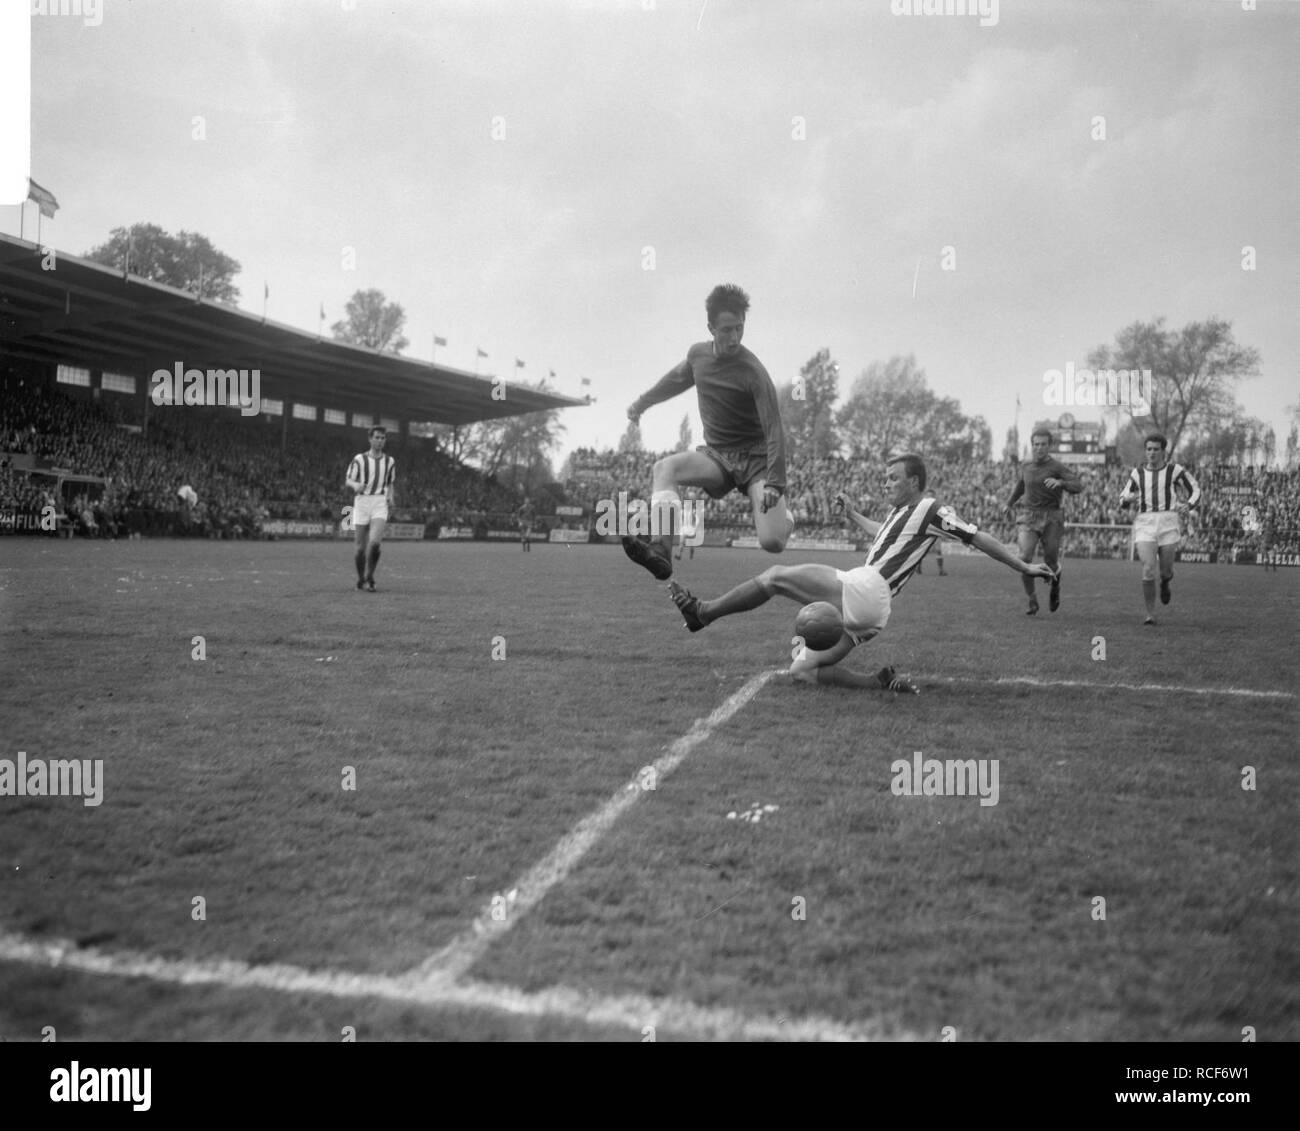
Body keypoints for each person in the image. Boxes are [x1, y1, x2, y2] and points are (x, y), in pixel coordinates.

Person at [668, 454, 1056, 693]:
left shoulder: (931, 509)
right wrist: (852, 513)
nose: (885, 482)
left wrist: (1021, 565)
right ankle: (878, 682)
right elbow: (883, 536)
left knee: (774, 576)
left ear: (915, 483)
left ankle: (703, 612)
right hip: (875, 615)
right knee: (802, 671)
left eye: (893, 478)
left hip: (868, 589)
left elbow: (976, 537)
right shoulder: (901, 515)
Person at [622, 284, 792, 580]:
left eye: (739, 328)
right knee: (664, 468)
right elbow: (674, 380)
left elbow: (774, 428)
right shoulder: (698, 356)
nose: (734, 337)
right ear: (711, 327)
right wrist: (641, 403)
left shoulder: (753, 372)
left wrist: (775, 483)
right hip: (718, 456)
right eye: (726, 330)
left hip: (757, 460)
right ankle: (661, 549)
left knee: (772, 542)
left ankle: (786, 519)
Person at [1118, 432, 1201, 625]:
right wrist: (1127, 499)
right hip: (1145, 522)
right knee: (1148, 568)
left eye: (1156, 449)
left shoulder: (1174, 470)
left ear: (1163, 451)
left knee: (1165, 571)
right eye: (1149, 449)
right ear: (1145, 451)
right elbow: (1122, 498)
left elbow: (1195, 489)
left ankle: (1165, 582)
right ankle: (1150, 614)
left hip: (1168, 522)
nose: (1152, 453)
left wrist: (1188, 504)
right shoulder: (1137, 474)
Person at [1004, 429, 1082, 614]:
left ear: (1049, 446)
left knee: (1051, 562)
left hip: (1052, 517)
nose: (1039, 448)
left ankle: (1055, 585)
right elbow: (1021, 484)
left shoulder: (1057, 467)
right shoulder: (1026, 464)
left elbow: (1078, 485)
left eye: (1043, 444)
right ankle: (1032, 600)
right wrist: (1009, 503)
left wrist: (1061, 483)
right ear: (1032, 445)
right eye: (1036, 444)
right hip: (1029, 516)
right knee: (1024, 559)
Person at [345, 426, 396, 591]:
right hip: (362, 502)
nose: (380, 441)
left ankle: (370, 577)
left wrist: (391, 496)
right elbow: (348, 480)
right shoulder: (359, 459)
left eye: (383, 438)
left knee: (374, 543)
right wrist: (356, 485)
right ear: (370, 439)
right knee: (360, 548)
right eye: (377, 437)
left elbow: (390, 483)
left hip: (380, 502)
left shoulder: (390, 461)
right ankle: (361, 579)